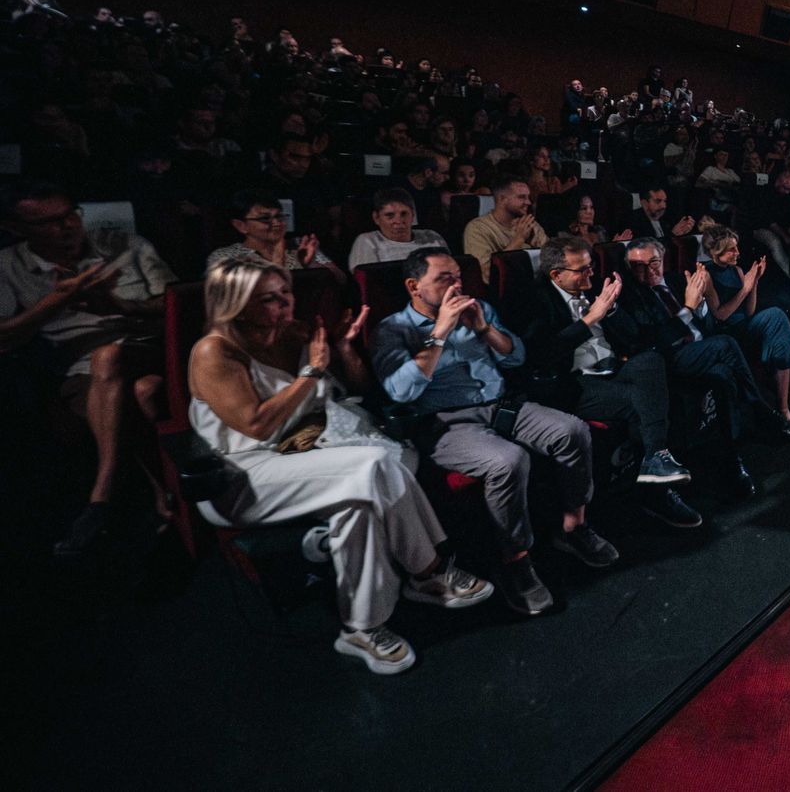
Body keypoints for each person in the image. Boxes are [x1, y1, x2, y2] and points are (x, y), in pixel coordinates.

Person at [187, 259, 493, 674]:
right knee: (374, 465)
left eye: (285, 291)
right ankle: (429, 570)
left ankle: (362, 628)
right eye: (269, 298)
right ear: (235, 304)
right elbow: (255, 425)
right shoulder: (213, 351)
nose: (285, 302)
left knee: (359, 506)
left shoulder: (295, 332)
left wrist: (343, 349)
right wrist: (311, 370)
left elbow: (354, 391)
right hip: (242, 475)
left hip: (307, 455)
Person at [371, 248, 617, 615]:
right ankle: (515, 560)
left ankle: (572, 527)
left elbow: (515, 356)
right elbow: (400, 391)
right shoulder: (394, 329)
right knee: (508, 460)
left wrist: (483, 328)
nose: (456, 284)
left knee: (572, 431)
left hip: (501, 404)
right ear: (414, 286)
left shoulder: (479, 309)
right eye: (444, 278)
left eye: (457, 276)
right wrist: (440, 332)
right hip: (443, 420)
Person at [0, 181, 175, 556]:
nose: (66, 228)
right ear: (17, 229)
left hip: (145, 346)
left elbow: (176, 306)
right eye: (48, 223)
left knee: (109, 357)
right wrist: (57, 299)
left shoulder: (128, 246)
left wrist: (122, 307)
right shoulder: (8, 266)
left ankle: (102, 496)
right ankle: (165, 496)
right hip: (79, 370)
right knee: (144, 392)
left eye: (70, 215)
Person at [519, 235, 714, 527]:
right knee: (647, 400)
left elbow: (634, 338)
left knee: (651, 362)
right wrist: (589, 320)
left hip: (614, 367)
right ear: (556, 275)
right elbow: (541, 356)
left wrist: (610, 310)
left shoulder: (596, 288)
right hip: (576, 382)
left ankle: (655, 461)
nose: (590, 274)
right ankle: (655, 491)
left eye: (590, 267)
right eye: (581, 270)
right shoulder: (535, 300)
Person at [608, 238, 790, 449]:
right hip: (672, 358)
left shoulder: (677, 280)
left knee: (723, 375)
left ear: (662, 260)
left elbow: (707, 322)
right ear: (630, 270)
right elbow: (653, 341)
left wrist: (700, 304)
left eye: (654, 262)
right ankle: (761, 410)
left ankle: (732, 453)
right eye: (639, 266)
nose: (650, 270)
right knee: (725, 344)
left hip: (703, 348)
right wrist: (688, 309)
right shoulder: (633, 298)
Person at [702, 226, 790, 425]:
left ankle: (784, 409)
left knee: (779, 330)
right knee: (776, 318)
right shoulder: (707, 274)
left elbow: (749, 311)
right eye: (731, 250)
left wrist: (755, 281)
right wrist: (745, 289)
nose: (738, 253)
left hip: (745, 326)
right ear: (716, 252)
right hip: (727, 336)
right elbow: (720, 316)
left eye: (737, 248)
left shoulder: (738, 270)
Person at [207, 189, 341, 276]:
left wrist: (311, 265)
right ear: (241, 225)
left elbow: (340, 280)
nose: (276, 223)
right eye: (265, 218)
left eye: (279, 216)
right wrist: (278, 259)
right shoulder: (225, 257)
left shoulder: (299, 247)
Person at [461, 177, 547, 278]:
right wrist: (518, 240)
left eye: (528, 197)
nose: (528, 202)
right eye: (521, 197)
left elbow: (555, 261)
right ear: (502, 199)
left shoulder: (529, 224)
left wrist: (538, 247)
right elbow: (486, 274)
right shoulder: (477, 229)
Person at [347, 189, 449, 269]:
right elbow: (368, 281)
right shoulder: (368, 241)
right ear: (376, 218)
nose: (398, 221)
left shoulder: (432, 237)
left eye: (404, 214)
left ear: (413, 215)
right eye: (390, 215)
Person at [621, 187, 694, 242]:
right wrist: (673, 234)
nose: (663, 206)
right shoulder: (633, 221)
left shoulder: (666, 219)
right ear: (644, 203)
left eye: (664, 201)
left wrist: (680, 233)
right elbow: (648, 247)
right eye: (658, 201)